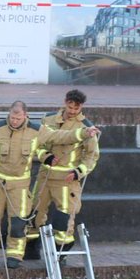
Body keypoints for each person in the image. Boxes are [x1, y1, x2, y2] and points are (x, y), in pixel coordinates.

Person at [0, 100, 100, 267]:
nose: (14, 121)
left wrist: (85, 133)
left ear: (25, 116)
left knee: (18, 222)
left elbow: (60, 136)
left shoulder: (36, 131)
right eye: (12, 117)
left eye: (18, 118)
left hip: (20, 186)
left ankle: (15, 255)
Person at [27, 89, 100, 251]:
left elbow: (92, 156)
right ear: (65, 102)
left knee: (64, 218)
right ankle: (31, 248)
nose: (73, 111)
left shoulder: (86, 127)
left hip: (67, 180)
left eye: (77, 108)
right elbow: (36, 145)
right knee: (34, 213)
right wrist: (45, 156)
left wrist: (78, 172)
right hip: (45, 176)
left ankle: (62, 253)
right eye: (70, 106)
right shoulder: (48, 119)